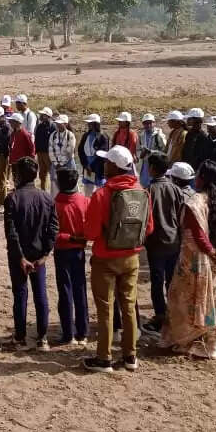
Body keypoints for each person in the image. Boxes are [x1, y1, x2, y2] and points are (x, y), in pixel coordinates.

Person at [81, 145, 155, 373]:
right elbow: (149, 228)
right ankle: (130, 356)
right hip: (131, 257)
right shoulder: (141, 191)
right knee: (129, 307)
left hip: (105, 258)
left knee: (105, 309)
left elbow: (91, 233)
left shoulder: (101, 194)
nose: (104, 164)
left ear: (114, 166)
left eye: (107, 162)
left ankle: (104, 358)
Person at [159, 161, 216, 359]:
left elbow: (198, 235)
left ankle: (186, 340)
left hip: (194, 261)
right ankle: (209, 341)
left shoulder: (195, 202)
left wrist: (212, 252)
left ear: (203, 179)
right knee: (213, 301)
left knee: (184, 300)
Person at [3, 157, 58, 350]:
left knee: (20, 294)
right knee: (40, 295)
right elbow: (53, 228)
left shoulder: (12, 198)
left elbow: (11, 233)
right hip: (38, 255)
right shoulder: (47, 197)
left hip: (20, 257)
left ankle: (20, 337)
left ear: (18, 175)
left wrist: (20, 257)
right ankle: (42, 337)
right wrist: (45, 253)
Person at [141, 151, 186, 334]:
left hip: (156, 243)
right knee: (172, 281)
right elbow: (181, 216)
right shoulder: (176, 189)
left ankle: (160, 315)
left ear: (152, 169)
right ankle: (173, 314)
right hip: (174, 241)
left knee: (157, 281)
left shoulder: (149, 191)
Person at [53, 168, 89, 346]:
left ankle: (68, 333)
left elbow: (53, 233)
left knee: (65, 292)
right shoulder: (84, 202)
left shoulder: (56, 204)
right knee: (80, 289)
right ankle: (82, 332)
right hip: (79, 251)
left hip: (62, 251)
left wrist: (68, 237)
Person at [78, 114, 109, 198]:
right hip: (87, 167)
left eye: (91, 123)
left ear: (96, 124)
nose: (89, 125)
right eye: (89, 123)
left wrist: (92, 166)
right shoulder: (85, 136)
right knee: (87, 191)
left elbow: (104, 154)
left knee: (100, 191)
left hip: (98, 168)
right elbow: (80, 151)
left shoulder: (103, 136)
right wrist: (86, 165)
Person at [48, 114, 77, 194]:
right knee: (55, 185)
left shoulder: (70, 135)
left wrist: (61, 164)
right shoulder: (53, 135)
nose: (58, 125)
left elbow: (69, 152)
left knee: (70, 184)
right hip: (55, 164)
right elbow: (50, 150)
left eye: (60, 123)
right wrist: (56, 163)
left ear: (66, 124)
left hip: (68, 163)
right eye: (57, 123)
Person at [137, 114, 167, 188]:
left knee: (154, 185)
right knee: (143, 185)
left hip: (155, 164)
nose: (148, 125)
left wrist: (151, 152)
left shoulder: (159, 135)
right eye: (146, 123)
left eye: (150, 123)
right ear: (143, 124)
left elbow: (164, 150)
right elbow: (138, 149)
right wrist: (141, 154)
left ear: (154, 123)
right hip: (144, 165)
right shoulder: (141, 135)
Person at [34, 107, 55, 192]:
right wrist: (36, 152)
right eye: (41, 114)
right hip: (40, 153)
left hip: (48, 153)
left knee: (52, 174)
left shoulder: (53, 126)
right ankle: (43, 192)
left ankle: (53, 193)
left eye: (43, 115)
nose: (41, 116)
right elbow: (36, 139)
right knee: (42, 174)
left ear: (48, 116)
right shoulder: (39, 126)